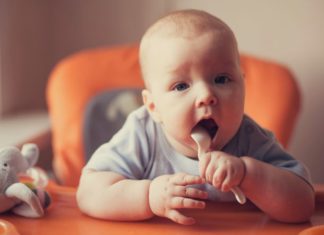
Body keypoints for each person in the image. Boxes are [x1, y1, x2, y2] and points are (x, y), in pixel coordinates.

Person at [76, 9, 314, 225]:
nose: (206, 95)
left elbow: (303, 204)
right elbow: (89, 193)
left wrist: (248, 174)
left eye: (221, 79)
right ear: (153, 106)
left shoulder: (250, 139)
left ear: (243, 85)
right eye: (181, 86)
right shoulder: (142, 134)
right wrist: (148, 197)